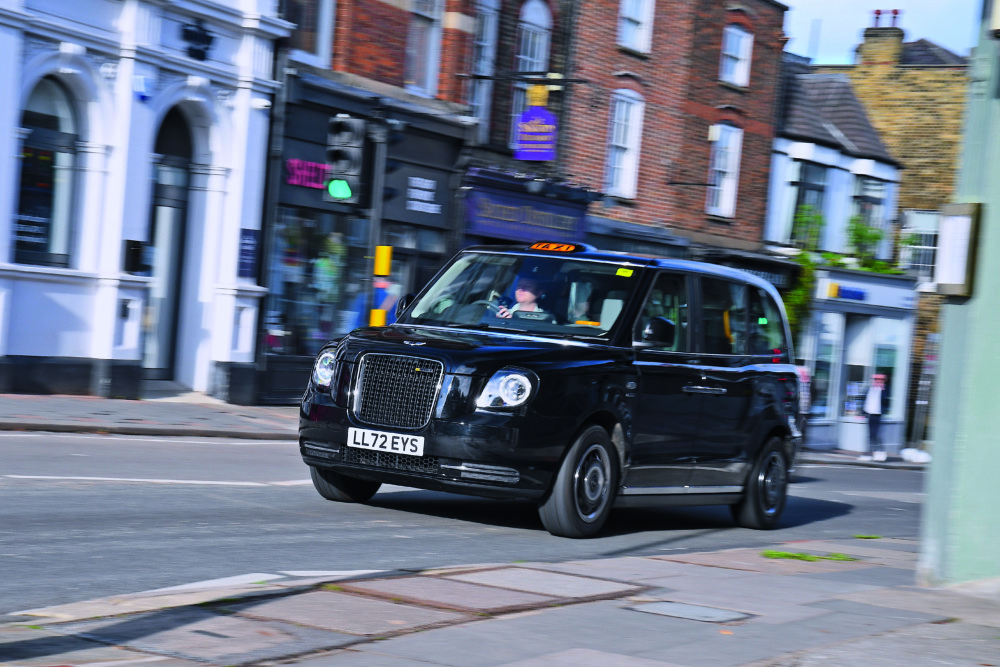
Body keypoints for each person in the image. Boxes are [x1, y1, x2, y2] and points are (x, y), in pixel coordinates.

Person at [860, 373, 890, 462]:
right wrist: (862, 412)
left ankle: (880, 452)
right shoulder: (870, 389)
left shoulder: (885, 390)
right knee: (870, 435)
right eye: (876, 380)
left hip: (878, 414)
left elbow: (886, 401)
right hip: (869, 414)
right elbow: (865, 401)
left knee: (875, 435)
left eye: (880, 380)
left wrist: (883, 389)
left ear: (884, 381)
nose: (878, 381)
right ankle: (869, 454)